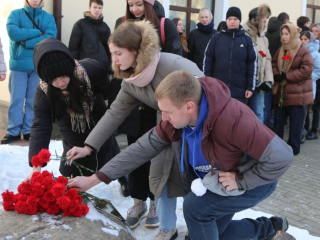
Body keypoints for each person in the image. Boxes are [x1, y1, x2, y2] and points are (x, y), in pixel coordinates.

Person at [68, 69, 294, 240]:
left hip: (255, 181)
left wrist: (242, 179)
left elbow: (282, 157)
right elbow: (141, 148)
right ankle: (271, 227)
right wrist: (94, 179)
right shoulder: (176, 122)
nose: (163, 118)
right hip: (217, 182)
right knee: (215, 233)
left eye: (167, 111)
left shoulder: (234, 120)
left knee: (196, 209)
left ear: (188, 106)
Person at [66, 21, 203, 240]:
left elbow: (205, 95)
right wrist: (89, 146)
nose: (115, 59)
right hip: (166, 128)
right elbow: (115, 112)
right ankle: (168, 229)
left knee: (197, 180)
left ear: (135, 51)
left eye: (118, 53)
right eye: (112, 54)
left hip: (195, 130)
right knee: (161, 173)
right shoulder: (131, 79)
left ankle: (203, 228)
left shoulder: (173, 65)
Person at [109, 0, 183, 230]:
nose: (135, 9)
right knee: (134, 152)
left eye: (139, 4)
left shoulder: (165, 26)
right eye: (131, 5)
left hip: (157, 102)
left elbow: (172, 66)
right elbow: (119, 63)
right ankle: (137, 201)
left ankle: (154, 203)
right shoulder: (122, 24)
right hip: (133, 99)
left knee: (156, 155)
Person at [24, 38, 127, 194]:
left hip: (97, 120)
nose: (60, 83)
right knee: (71, 167)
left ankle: (122, 176)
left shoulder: (90, 71)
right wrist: (36, 165)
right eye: (54, 80)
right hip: (70, 128)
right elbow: (40, 126)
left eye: (63, 76)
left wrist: (113, 114)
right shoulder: (43, 93)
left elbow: (109, 91)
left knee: (108, 151)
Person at [1, 0, 57, 145]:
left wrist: (28, 41)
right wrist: (37, 32)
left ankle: (28, 131)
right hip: (18, 65)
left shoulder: (48, 18)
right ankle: (12, 131)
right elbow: (13, 33)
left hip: (38, 64)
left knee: (33, 101)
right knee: (16, 100)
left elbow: (50, 36)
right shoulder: (16, 14)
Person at [272, 23, 313, 156]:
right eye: (282, 34)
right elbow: (273, 63)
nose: (284, 37)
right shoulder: (281, 50)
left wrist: (287, 75)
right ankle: (277, 147)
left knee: (296, 123)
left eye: (286, 34)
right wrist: (276, 74)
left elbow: (307, 70)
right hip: (281, 93)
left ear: (293, 35)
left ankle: (293, 148)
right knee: (278, 120)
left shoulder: (302, 51)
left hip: (297, 94)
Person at [204, 6, 257, 104]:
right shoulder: (216, 38)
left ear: (239, 20)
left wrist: (250, 87)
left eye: (235, 19)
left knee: (237, 118)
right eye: (229, 19)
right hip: (218, 89)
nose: (232, 21)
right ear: (226, 20)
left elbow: (252, 64)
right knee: (218, 117)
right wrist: (208, 83)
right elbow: (208, 61)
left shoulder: (247, 40)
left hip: (240, 92)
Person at [243, 4, 273, 123]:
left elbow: (268, 60)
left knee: (259, 114)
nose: (265, 25)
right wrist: (253, 79)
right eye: (263, 21)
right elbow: (241, 61)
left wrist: (268, 81)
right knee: (244, 114)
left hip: (260, 85)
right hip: (245, 84)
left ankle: (258, 141)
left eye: (266, 21)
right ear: (255, 20)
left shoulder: (264, 38)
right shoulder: (244, 35)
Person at [68, 0, 112, 74]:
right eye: (95, 7)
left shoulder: (105, 27)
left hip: (103, 68)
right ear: (89, 7)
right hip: (84, 67)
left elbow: (109, 48)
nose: (97, 10)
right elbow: (73, 46)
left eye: (100, 8)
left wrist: (110, 65)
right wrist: (75, 65)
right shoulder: (80, 24)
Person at [265, 12, 290, 128]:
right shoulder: (281, 35)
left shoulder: (265, 33)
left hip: (267, 69)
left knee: (266, 99)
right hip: (278, 71)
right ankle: (273, 123)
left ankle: (267, 121)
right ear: (285, 21)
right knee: (276, 99)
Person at [305, 23, 320, 140]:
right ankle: (306, 128)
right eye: (312, 30)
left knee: (316, 107)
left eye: (316, 31)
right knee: (309, 104)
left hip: (317, 77)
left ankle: (314, 130)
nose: (314, 33)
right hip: (313, 79)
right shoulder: (309, 45)